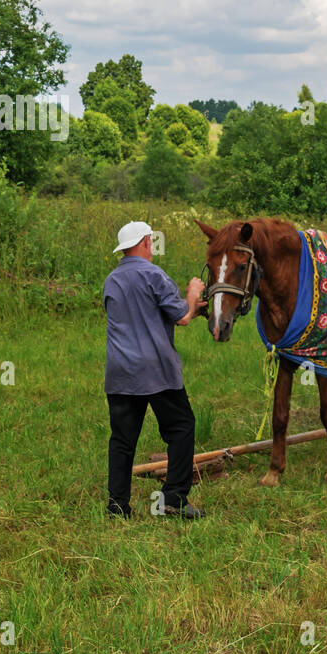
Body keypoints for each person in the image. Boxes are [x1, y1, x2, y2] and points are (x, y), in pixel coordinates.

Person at [103, 221, 206, 519]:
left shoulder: (112, 280)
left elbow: (142, 315)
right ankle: (173, 499)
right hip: (156, 370)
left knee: (122, 440)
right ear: (146, 242)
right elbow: (183, 317)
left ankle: (117, 505)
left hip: (121, 371)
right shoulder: (154, 274)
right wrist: (193, 290)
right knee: (181, 428)